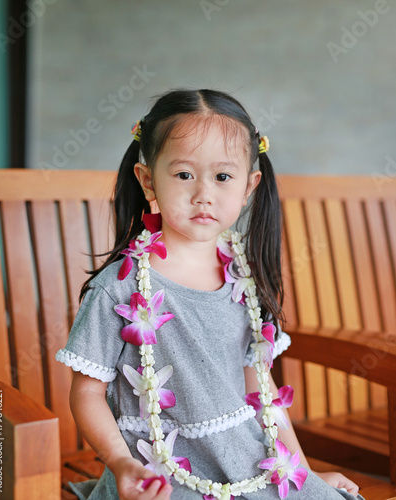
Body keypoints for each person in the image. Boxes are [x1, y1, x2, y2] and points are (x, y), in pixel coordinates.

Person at [56, 89, 363, 500]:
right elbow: (87, 391)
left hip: (246, 461)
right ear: (148, 180)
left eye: (222, 177)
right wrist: (120, 462)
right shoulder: (119, 286)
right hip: (160, 471)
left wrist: (302, 473)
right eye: (184, 175)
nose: (204, 194)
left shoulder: (244, 279)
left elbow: (262, 388)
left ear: (249, 186)